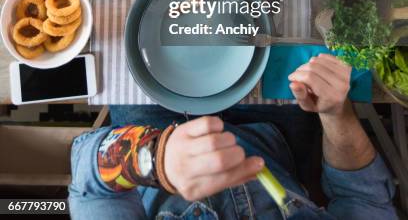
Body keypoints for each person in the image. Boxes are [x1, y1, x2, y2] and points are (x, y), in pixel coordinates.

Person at [68, 55, 397, 219]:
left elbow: (87, 181)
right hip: (277, 136)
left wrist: (155, 159)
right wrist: (336, 113)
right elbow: (363, 198)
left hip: (156, 131)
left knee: (133, 18)